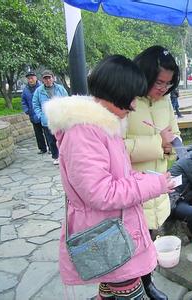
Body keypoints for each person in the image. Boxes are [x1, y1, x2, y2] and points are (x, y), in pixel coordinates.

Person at [44, 55, 175, 300]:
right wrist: (153, 184)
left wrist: (143, 178)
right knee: (129, 291)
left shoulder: (103, 126)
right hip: (106, 231)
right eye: (132, 99)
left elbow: (114, 176)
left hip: (111, 227)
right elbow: (100, 193)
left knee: (109, 283)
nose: (134, 106)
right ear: (118, 93)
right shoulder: (83, 132)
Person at [124, 45, 180, 300]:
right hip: (132, 187)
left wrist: (173, 149)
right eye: (159, 83)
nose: (163, 89)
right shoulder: (125, 100)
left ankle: (147, 283)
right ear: (144, 74)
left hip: (158, 184)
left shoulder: (165, 100)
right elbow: (115, 147)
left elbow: (174, 134)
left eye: (168, 84)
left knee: (149, 238)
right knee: (130, 244)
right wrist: (159, 144)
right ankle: (128, 288)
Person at [32, 70, 68, 165]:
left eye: (49, 78)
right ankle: (55, 156)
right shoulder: (39, 91)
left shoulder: (60, 89)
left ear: (53, 78)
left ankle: (64, 156)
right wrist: (41, 115)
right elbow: (35, 104)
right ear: (42, 80)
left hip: (60, 119)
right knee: (51, 140)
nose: (48, 80)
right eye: (45, 78)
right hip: (47, 120)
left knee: (62, 139)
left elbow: (67, 100)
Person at [21, 71, 48, 154]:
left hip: (43, 114)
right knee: (38, 134)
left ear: (36, 78)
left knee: (48, 132)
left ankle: (51, 148)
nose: (30, 80)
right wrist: (26, 110)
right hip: (33, 115)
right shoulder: (25, 90)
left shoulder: (42, 87)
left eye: (32, 78)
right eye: (29, 78)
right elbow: (23, 101)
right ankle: (42, 148)